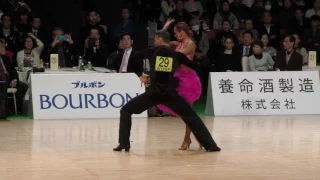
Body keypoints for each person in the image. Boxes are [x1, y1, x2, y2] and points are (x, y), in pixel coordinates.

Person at [113, 30, 220, 152]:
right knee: (191, 116)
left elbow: (132, 58)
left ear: (159, 40)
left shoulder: (152, 51)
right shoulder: (176, 55)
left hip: (153, 94)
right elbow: (197, 67)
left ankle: (124, 144)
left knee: (126, 110)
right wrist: (188, 77)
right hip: (170, 94)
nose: (154, 41)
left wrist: (141, 75)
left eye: (155, 39)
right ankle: (211, 146)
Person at [160, 19, 202, 150]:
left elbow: (177, 56)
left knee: (187, 113)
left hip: (188, 81)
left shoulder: (190, 44)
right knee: (185, 113)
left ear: (182, 32)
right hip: (177, 79)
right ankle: (199, 136)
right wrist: (165, 27)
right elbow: (162, 42)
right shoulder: (178, 43)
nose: (175, 35)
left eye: (176, 32)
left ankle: (187, 139)